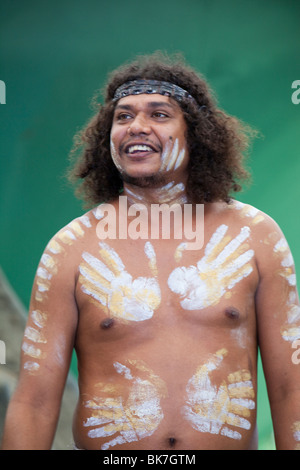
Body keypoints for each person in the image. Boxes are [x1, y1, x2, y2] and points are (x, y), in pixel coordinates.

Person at [2, 52, 300, 451]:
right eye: (123, 117)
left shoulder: (256, 237)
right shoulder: (71, 248)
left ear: (196, 134)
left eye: (159, 114)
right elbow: (35, 402)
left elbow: (288, 388)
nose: (136, 127)